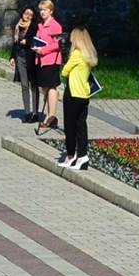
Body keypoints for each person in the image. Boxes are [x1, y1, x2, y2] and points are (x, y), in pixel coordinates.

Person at [59, 26, 97, 170]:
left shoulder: (76, 54)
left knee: (70, 126)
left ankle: (70, 155)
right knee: (81, 125)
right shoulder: (89, 55)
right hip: (84, 94)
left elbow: (64, 71)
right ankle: (82, 155)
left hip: (72, 93)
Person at [31, 0, 65, 133]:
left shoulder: (55, 25)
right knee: (44, 87)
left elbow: (57, 44)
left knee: (51, 86)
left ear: (51, 11)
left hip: (51, 59)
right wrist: (35, 47)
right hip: (40, 60)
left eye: (45, 10)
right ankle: (51, 114)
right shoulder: (40, 25)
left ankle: (51, 115)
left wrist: (43, 50)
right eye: (41, 10)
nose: (42, 12)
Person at [10, 6, 39, 121]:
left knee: (34, 86)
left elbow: (37, 40)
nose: (27, 16)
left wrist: (27, 42)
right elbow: (15, 43)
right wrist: (12, 57)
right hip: (20, 57)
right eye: (26, 13)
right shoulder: (18, 26)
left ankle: (35, 113)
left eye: (30, 15)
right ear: (22, 14)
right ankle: (27, 112)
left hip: (31, 58)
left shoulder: (34, 26)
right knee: (24, 85)